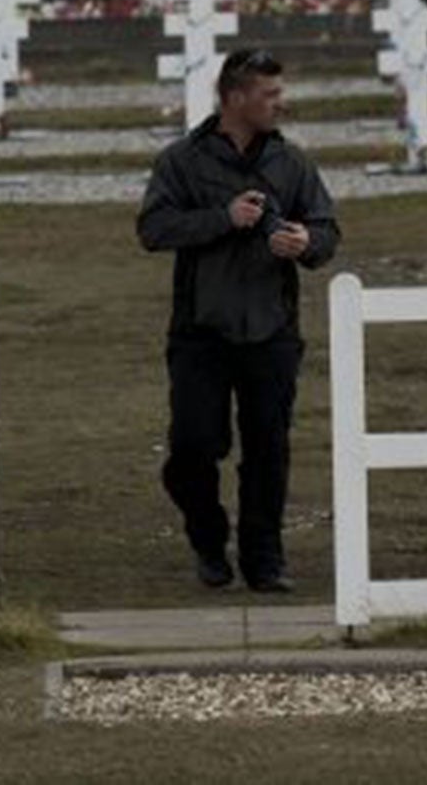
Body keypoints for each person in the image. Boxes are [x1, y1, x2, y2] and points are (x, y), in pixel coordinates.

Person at [136, 47, 340, 593]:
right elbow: (154, 229)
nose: (281, 103)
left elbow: (327, 233)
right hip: (200, 333)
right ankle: (208, 538)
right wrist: (222, 220)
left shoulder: (292, 163)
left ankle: (265, 562)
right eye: (270, 94)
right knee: (193, 449)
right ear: (235, 98)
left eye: (280, 92)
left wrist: (305, 242)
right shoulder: (181, 160)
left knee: (268, 451)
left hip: (272, 333)